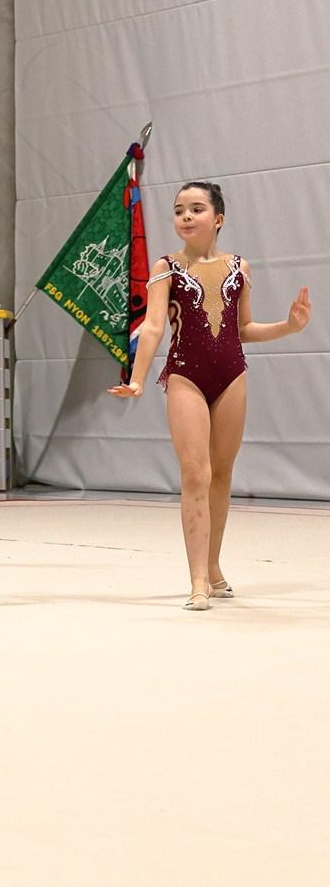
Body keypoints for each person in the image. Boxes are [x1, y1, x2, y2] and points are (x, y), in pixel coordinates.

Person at [108, 181, 312, 609]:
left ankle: (214, 565)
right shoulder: (166, 267)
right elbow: (153, 327)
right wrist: (138, 378)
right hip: (185, 375)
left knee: (221, 474)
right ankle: (198, 579)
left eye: (196, 208)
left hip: (231, 376)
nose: (186, 216)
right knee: (194, 473)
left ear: (218, 219)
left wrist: (288, 327)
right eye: (179, 209)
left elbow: (243, 330)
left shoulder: (239, 267)